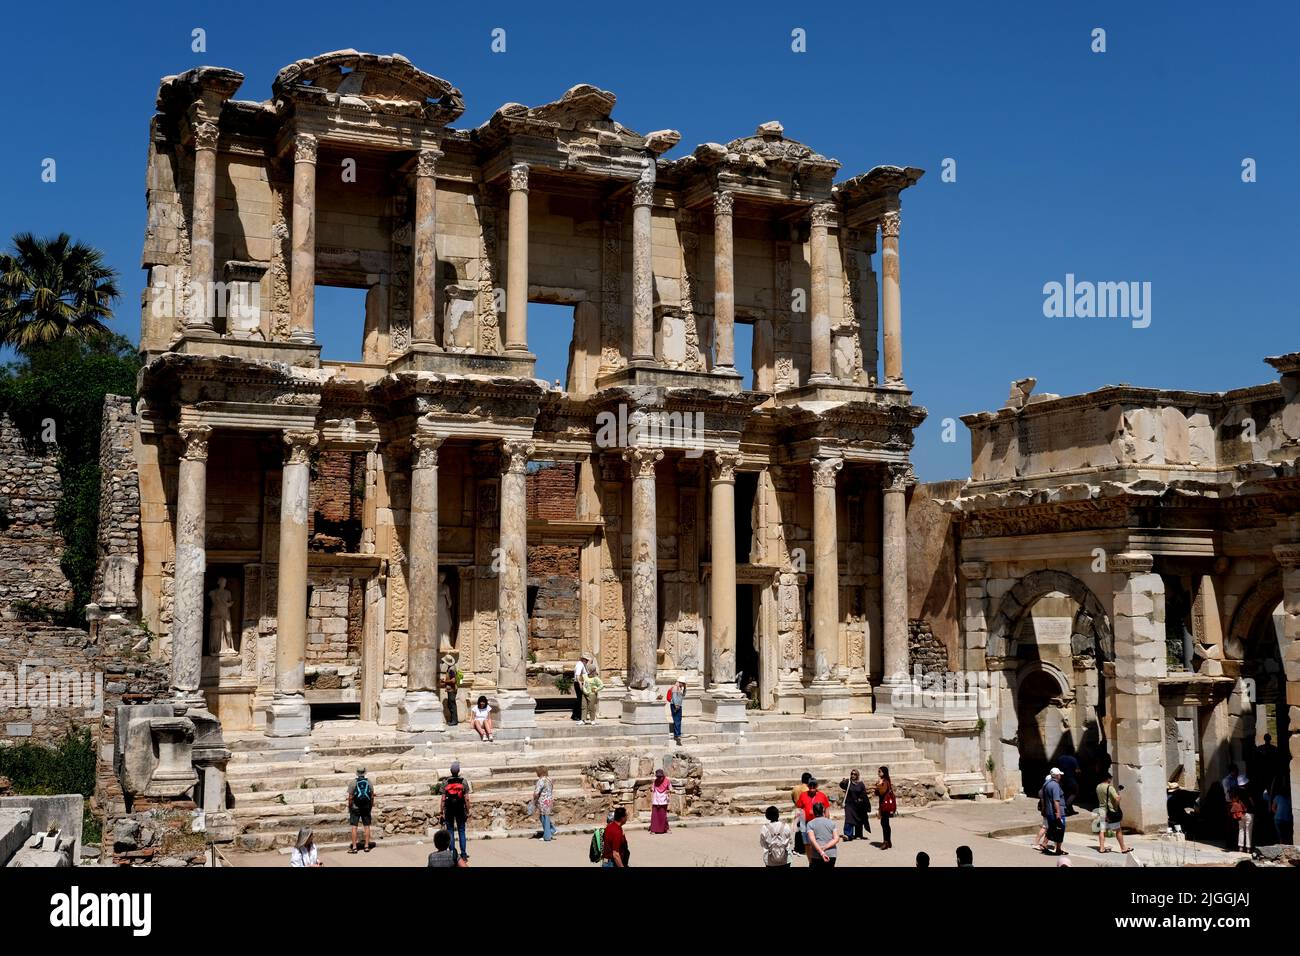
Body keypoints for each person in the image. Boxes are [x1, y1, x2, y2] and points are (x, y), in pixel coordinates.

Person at [442, 760, 472, 862]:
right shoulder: (463, 781)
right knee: (461, 831)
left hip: (449, 809)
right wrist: (468, 810)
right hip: (460, 809)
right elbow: (466, 798)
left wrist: (441, 811)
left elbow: (442, 799)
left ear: (451, 771)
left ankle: (452, 854)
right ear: (458, 771)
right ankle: (463, 854)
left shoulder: (445, 782)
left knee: (450, 832)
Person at [1094, 770, 1129, 854]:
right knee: (1118, 830)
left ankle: (1101, 848)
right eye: (1110, 779)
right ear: (1108, 779)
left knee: (1102, 830)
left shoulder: (1098, 787)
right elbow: (1117, 798)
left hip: (1102, 811)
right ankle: (1123, 848)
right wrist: (1116, 805)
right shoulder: (1110, 788)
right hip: (1110, 812)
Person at [797, 778, 831, 861]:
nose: (812, 787)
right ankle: (810, 862)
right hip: (805, 823)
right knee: (807, 844)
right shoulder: (803, 795)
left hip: (818, 823)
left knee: (819, 842)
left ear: (817, 786)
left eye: (814, 785)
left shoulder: (822, 795)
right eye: (810, 785)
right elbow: (799, 808)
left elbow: (826, 809)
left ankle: (820, 860)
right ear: (808, 786)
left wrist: (827, 822)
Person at [838, 769, 872, 841]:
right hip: (849, 804)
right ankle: (848, 835)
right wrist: (843, 781)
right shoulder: (848, 782)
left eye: (855, 774)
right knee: (849, 819)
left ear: (857, 775)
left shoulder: (861, 784)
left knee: (858, 819)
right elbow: (841, 785)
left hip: (858, 805)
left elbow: (863, 794)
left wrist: (862, 801)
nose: (853, 775)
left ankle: (858, 834)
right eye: (852, 774)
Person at [1041, 767, 1068, 856]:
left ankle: (1044, 845)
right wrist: (1058, 813)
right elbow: (1056, 800)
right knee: (1060, 829)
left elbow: (1044, 798)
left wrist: (1044, 809)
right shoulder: (1055, 785)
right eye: (1059, 774)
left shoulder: (1046, 784)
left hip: (1049, 811)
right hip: (1057, 811)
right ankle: (1058, 849)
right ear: (1056, 775)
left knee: (1051, 828)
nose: (1060, 776)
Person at [347, 767, 375, 854]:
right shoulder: (369, 782)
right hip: (366, 807)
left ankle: (354, 847)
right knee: (366, 826)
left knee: (354, 827)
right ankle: (366, 846)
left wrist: (350, 806)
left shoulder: (353, 782)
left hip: (355, 807)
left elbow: (350, 797)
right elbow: (372, 796)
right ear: (364, 773)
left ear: (357, 773)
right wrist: (370, 806)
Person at [807, 802, 841, 867]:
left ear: (813, 812)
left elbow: (812, 840)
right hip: (831, 853)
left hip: (816, 854)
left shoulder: (810, 824)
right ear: (823, 811)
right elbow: (836, 838)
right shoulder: (831, 823)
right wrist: (825, 847)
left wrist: (821, 852)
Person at [875, 766, 896, 850]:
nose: (878, 773)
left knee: (885, 823)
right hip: (883, 805)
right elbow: (877, 793)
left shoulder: (885, 781)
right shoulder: (884, 781)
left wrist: (878, 784)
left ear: (884, 773)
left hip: (886, 805)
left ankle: (886, 842)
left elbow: (882, 792)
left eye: (880, 771)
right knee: (885, 823)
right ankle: (888, 841)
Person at [532, 766, 555, 842]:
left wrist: (534, 799)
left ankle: (547, 835)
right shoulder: (550, 779)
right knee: (545, 817)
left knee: (544, 818)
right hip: (549, 801)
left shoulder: (541, 780)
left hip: (543, 801)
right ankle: (551, 830)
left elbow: (536, 792)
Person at [1229, 785, 1253, 853]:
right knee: (1248, 830)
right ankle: (1248, 848)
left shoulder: (1236, 791)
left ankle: (1240, 847)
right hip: (1249, 813)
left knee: (1241, 829)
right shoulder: (1248, 791)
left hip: (1240, 813)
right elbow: (1252, 802)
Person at [649, 768, 672, 834]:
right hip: (656, 800)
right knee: (655, 816)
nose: (659, 778)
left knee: (663, 815)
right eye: (658, 777)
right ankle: (653, 829)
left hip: (664, 800)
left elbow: (671, 789)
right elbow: (652, 790)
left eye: (660, 777)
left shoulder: (667, 781)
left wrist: (668, 791)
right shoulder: (655, 781)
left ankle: (665, 829)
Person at [666, 680, 686, 745]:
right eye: (683, 683)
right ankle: (677, 736)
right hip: (675, 705)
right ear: (680, 682)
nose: (683, 684)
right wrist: (676, 705)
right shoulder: (675, 687)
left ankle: (676, 735)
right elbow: (674, 697)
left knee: (678, 720)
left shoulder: (680, 688)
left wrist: (685, 688)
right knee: (677, 720)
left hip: (679, 705)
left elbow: (684, 695)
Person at [572, 653, 589, 721]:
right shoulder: (580, 665)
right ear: (583, 659)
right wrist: (580, 684)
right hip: (579, 683)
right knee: (580, 700)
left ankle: (575, 715)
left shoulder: (581, 664)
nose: (587, 661)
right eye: (586, 660)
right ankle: (576, 715)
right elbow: (578, 675)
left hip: (579, 683)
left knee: (580, 699)